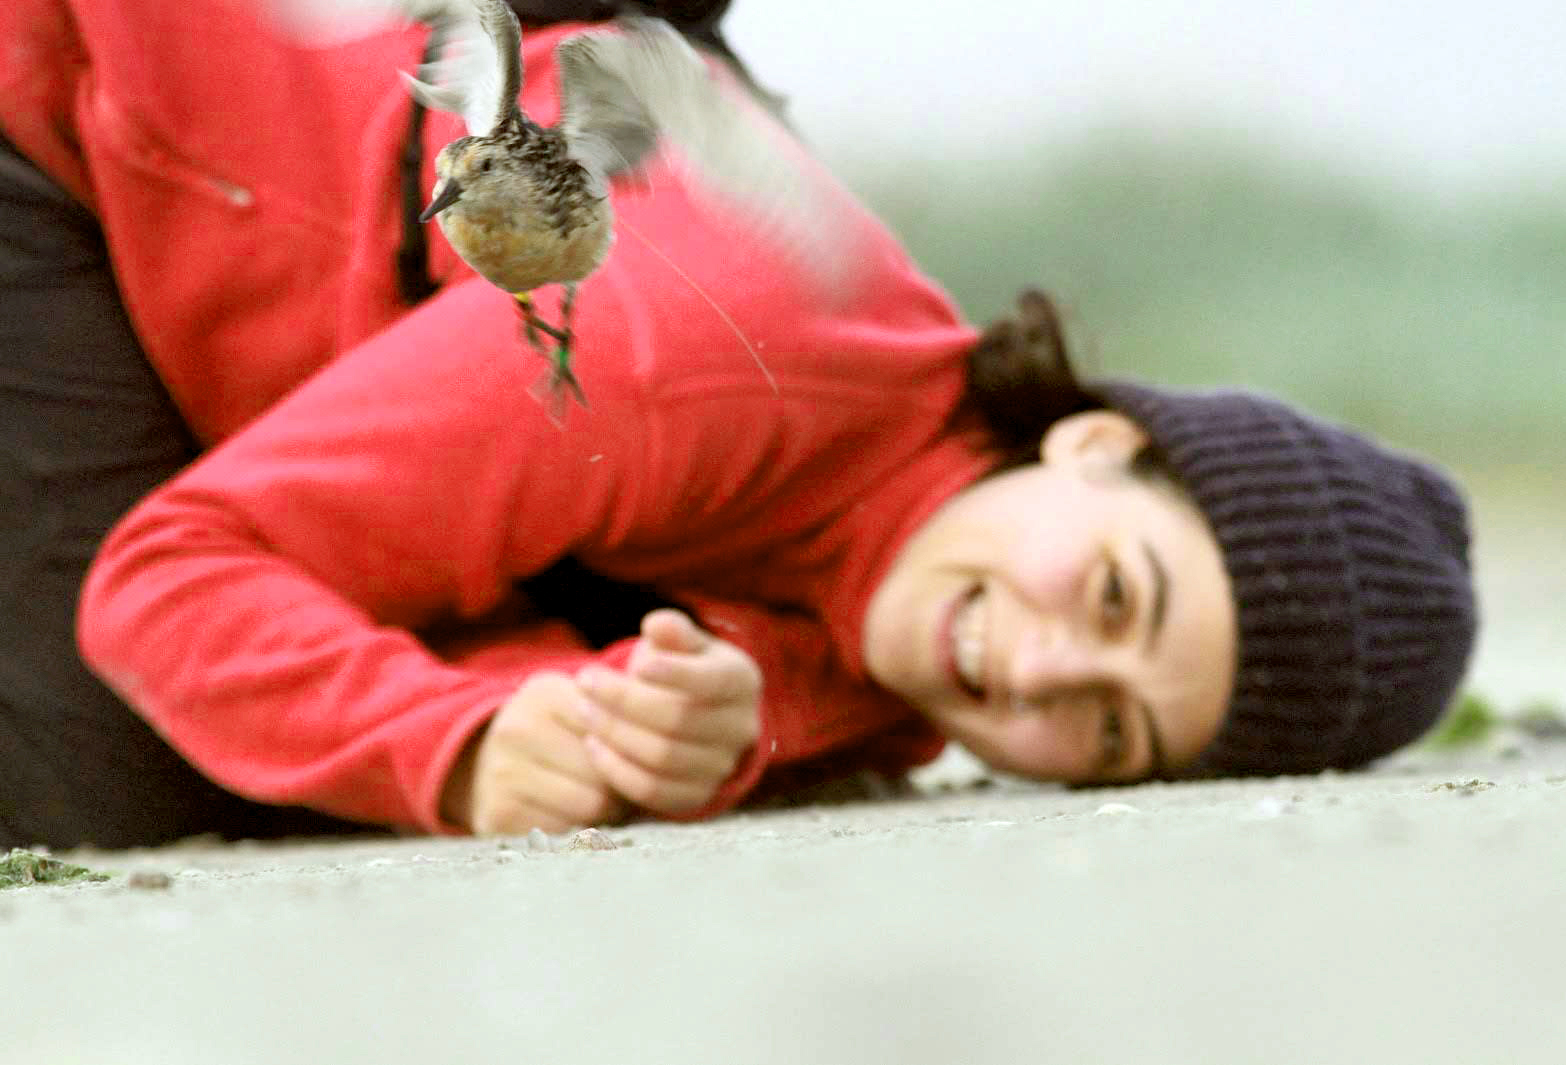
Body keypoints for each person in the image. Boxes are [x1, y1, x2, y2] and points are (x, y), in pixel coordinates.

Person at [1, 1, 1477, 850]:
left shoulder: (896, 642)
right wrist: (462, 740)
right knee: (137, 785)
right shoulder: (681, 344)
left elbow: (775, 691)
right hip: (68, 94)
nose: (1029, 672)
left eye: (1107, 732)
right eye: (1110, 594)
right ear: (1091, 442)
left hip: (262, 249)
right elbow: (177, 575)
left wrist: (663, 728)